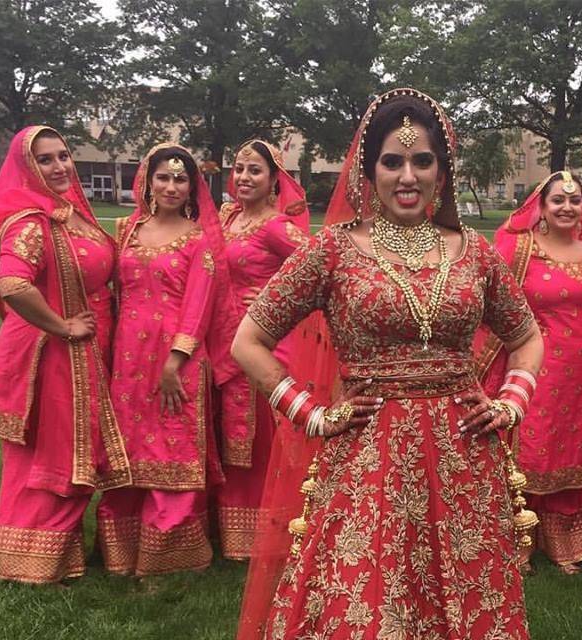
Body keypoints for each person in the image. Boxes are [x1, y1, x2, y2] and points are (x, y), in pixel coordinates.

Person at [232, 88, 544, 639]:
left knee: (466, 595)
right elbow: (249, 341)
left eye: (423, 161)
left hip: (465, 456)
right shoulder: (332, 250)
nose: (408, 176)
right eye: (393, 161)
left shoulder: (473, 251)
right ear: (368, 170)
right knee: (366, 595)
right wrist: (310, 415)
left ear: (441, 173)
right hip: (367, 454)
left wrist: (511, 401)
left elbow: (527, 337)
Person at [0, 125, 130, 583]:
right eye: (45, 160)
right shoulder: (30, 220)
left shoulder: (70, 213)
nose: (59, 166)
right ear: (27, 168)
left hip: (83, 346)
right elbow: (13, 284)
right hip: (55, 351)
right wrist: (62, 326)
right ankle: (32, 561)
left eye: (63, 156)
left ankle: (57, 556)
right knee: (56, 452)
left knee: (72, 449)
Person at [97, 143, 236, 576]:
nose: (172, 185)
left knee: (172, 448)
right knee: (130, 447)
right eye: (164, 177)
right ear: (148, 181)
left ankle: (167, 557)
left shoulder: (199, 241)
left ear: (193, 187)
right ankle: (120, 554)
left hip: (178, 359)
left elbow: (199, 306)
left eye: (181, 179)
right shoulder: (126, 230)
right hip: (127, 359)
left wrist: (176, 360)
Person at [475, 171, 582, 574]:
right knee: (530, 450)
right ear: (541, 207)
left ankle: (566, 542)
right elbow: (486, 299)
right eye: (558, 201)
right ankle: (518, 538)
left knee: (574, 449)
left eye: (575, 201)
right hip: (535, 367)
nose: (567, 207)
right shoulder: (518, 248)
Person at [213, 139, 309, 560]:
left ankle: (272, 529)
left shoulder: (275, 226)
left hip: (265, 345)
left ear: (274, 181)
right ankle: (228, 529)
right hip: (223, 343)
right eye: (239, 169)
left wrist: (272, 299)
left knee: (262, 439)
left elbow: (315, 269)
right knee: (228, 433)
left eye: (255, 171)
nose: (244, 178)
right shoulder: (227, 217)